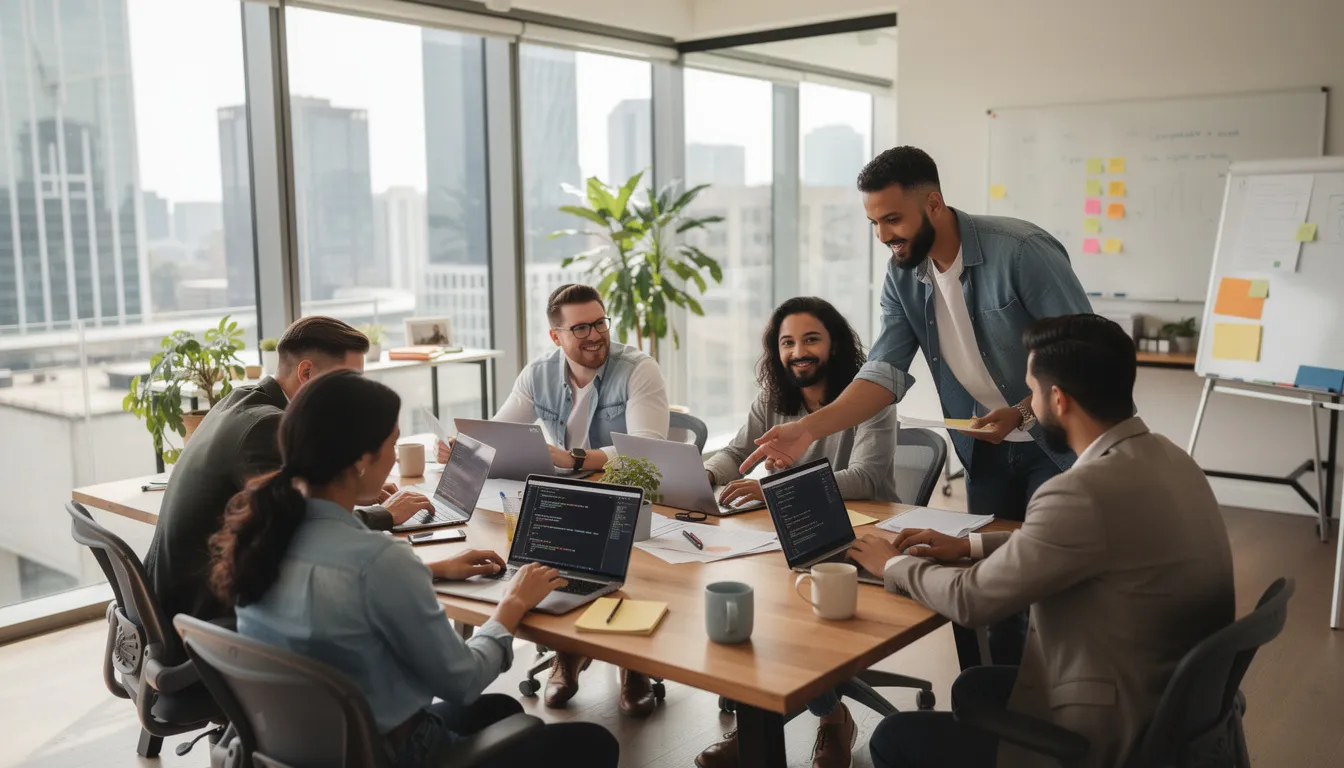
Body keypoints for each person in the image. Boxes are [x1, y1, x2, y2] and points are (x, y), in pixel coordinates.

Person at [744, 146, 1093, 664]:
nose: (884, 235)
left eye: (892, 219)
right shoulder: (903, 276)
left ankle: (1059, 705)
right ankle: (991, 703)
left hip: (1053, 443)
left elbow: (1082, 351)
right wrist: (808, 430)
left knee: (1051, 579)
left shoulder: (1020, 251)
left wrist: (1022, 413)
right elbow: (883, 373)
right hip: (987, 450)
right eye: (874, 223)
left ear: (933, 204)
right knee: (989, 585)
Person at [846, 314, 1235, 768]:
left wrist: (891, 565)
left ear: (1059, 400)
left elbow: (972, 601)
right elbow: (1077, 543)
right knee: (975, 687)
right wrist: (967, 546)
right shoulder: (1169, 457)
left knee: (896, 737)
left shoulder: (1081, 490)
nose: (1027, 402)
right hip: (1168, 701)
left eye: (1031, 391)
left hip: (1110, 730)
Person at [208, 371, 618, 768]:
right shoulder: (378, 562)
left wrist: (434, 571)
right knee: (594, 743)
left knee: (501, 709)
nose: (394, 454)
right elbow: (461, 681)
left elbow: (347, 592)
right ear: (360, 462)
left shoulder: (261, 536)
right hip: (389, 753)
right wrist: (512, 604)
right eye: (392, 442)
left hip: (302, 747)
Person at [436, 283, 669, 716]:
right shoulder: (538, 373)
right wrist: (465, 448)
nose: (595, 335)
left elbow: (646, 447)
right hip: (567, 498)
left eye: (600, 322)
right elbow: (501, 433)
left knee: (621, 563)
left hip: (625, 495)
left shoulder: (639, 368)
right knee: (544, 555)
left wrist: (576, 457)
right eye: (580, 328)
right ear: (556, 336)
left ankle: (631, 665)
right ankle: (567, 652)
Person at [694, 296, 896, 768]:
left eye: (810, 339)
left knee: (784, 622)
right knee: (745, 605)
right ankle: (761, 726)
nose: (797, 352)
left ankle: (829, 720)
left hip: (855, 537)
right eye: (787, 342)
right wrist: (708, 474)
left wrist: (774, 489)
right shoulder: (773, 398)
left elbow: (866, 478)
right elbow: (737, 450)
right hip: (780, 534)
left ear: (835, 344)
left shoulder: (864, 398)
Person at [145, 316, 434, 625]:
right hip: (204, 616)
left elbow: (288, 505)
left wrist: (349, 490)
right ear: (306, 373)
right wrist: (385, 515)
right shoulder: (267, 426)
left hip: (175, 598)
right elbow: (305, 532)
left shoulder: (239, 400)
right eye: (345, 382)